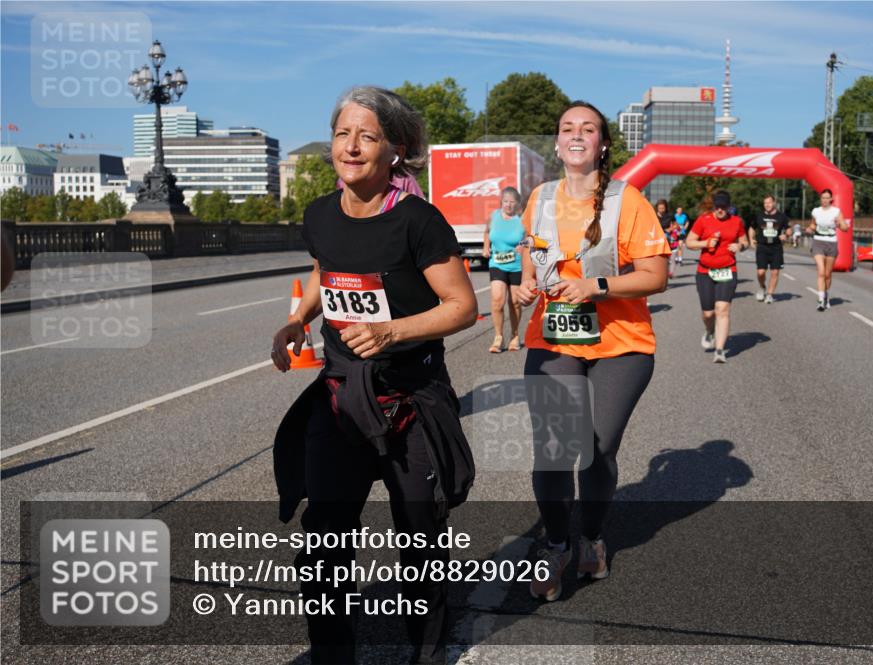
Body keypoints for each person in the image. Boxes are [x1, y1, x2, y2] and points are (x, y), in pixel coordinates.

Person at [270, 85, 478, 665]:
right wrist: (296, 321)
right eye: (342, 134)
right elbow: (325, 271)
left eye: (368, 135)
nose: (351, 146)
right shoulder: (319, 213)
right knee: (325, 536)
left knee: (419, 537)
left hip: (410, 397)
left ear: (396, 150)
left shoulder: (418, 221)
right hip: (341, 398)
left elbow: (462, 307)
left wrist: (393, 331)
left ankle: (427, 650)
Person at [512, 101, 669, 602]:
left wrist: (597, 286)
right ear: (557, 143)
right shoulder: (539, 196)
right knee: (555, 448)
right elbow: (531, 252)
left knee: (597, 448)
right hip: (554, 337)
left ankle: (592, 538)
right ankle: (556, 544)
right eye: (566, 128)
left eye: (589, 129)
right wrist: (526, 284)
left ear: (602, 144)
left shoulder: (630, 199)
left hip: (621, 344)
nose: (577, 135)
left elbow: (656, 276)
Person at [685, 190, 749, 363]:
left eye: (723, 207)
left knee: (722, 309)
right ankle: (709, 331)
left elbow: (745, 241)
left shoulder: (736, 222)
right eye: (717, 206)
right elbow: (689, 242)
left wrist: (740, 246)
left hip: (728, 270)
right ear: (714, 206)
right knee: (708, 314)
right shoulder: (703, 220)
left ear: (728, 207)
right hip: (705, 271)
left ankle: (720, 350)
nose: (720, 210)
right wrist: (705, 243)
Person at [482, 186, 525, 352]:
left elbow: (530, 238)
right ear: (501, 202)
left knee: (515, 301)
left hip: (516, 265)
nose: (508, 205)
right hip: (497, 263)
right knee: (497, 300)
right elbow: (487, 233)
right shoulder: (493, 216)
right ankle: (498, 337)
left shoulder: (522, 219)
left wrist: (522, 246)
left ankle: (514, 335)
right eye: (505, 201)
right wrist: (486, 247)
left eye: (512, 202)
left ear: (517, 204)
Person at [807, 188, 850, 311]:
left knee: (827, 274)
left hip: (831, 243)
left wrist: (839, 224)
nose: (825, 200)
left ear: (831, 199)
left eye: (827, 198)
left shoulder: (836, 211)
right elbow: (813, 224)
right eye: (823, 198)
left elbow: (845, 227)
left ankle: (826, 295)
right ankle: (820, 301)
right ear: (820, 199)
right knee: (821, 272)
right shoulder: (816, 211)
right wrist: (810, 228)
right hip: (818, 242)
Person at [748, 194, 792, 304]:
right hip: (762, 247)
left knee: (775, 272)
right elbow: (752, 228)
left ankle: (769, 295)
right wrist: (751, 239)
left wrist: (786, 236)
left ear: (774, 203)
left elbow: (789, 229)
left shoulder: (782, 216)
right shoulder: (759, 215)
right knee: (761, 272)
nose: (767, 205)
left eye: (769, 202)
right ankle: (762, 287)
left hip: (776, 248)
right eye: (765, 203)